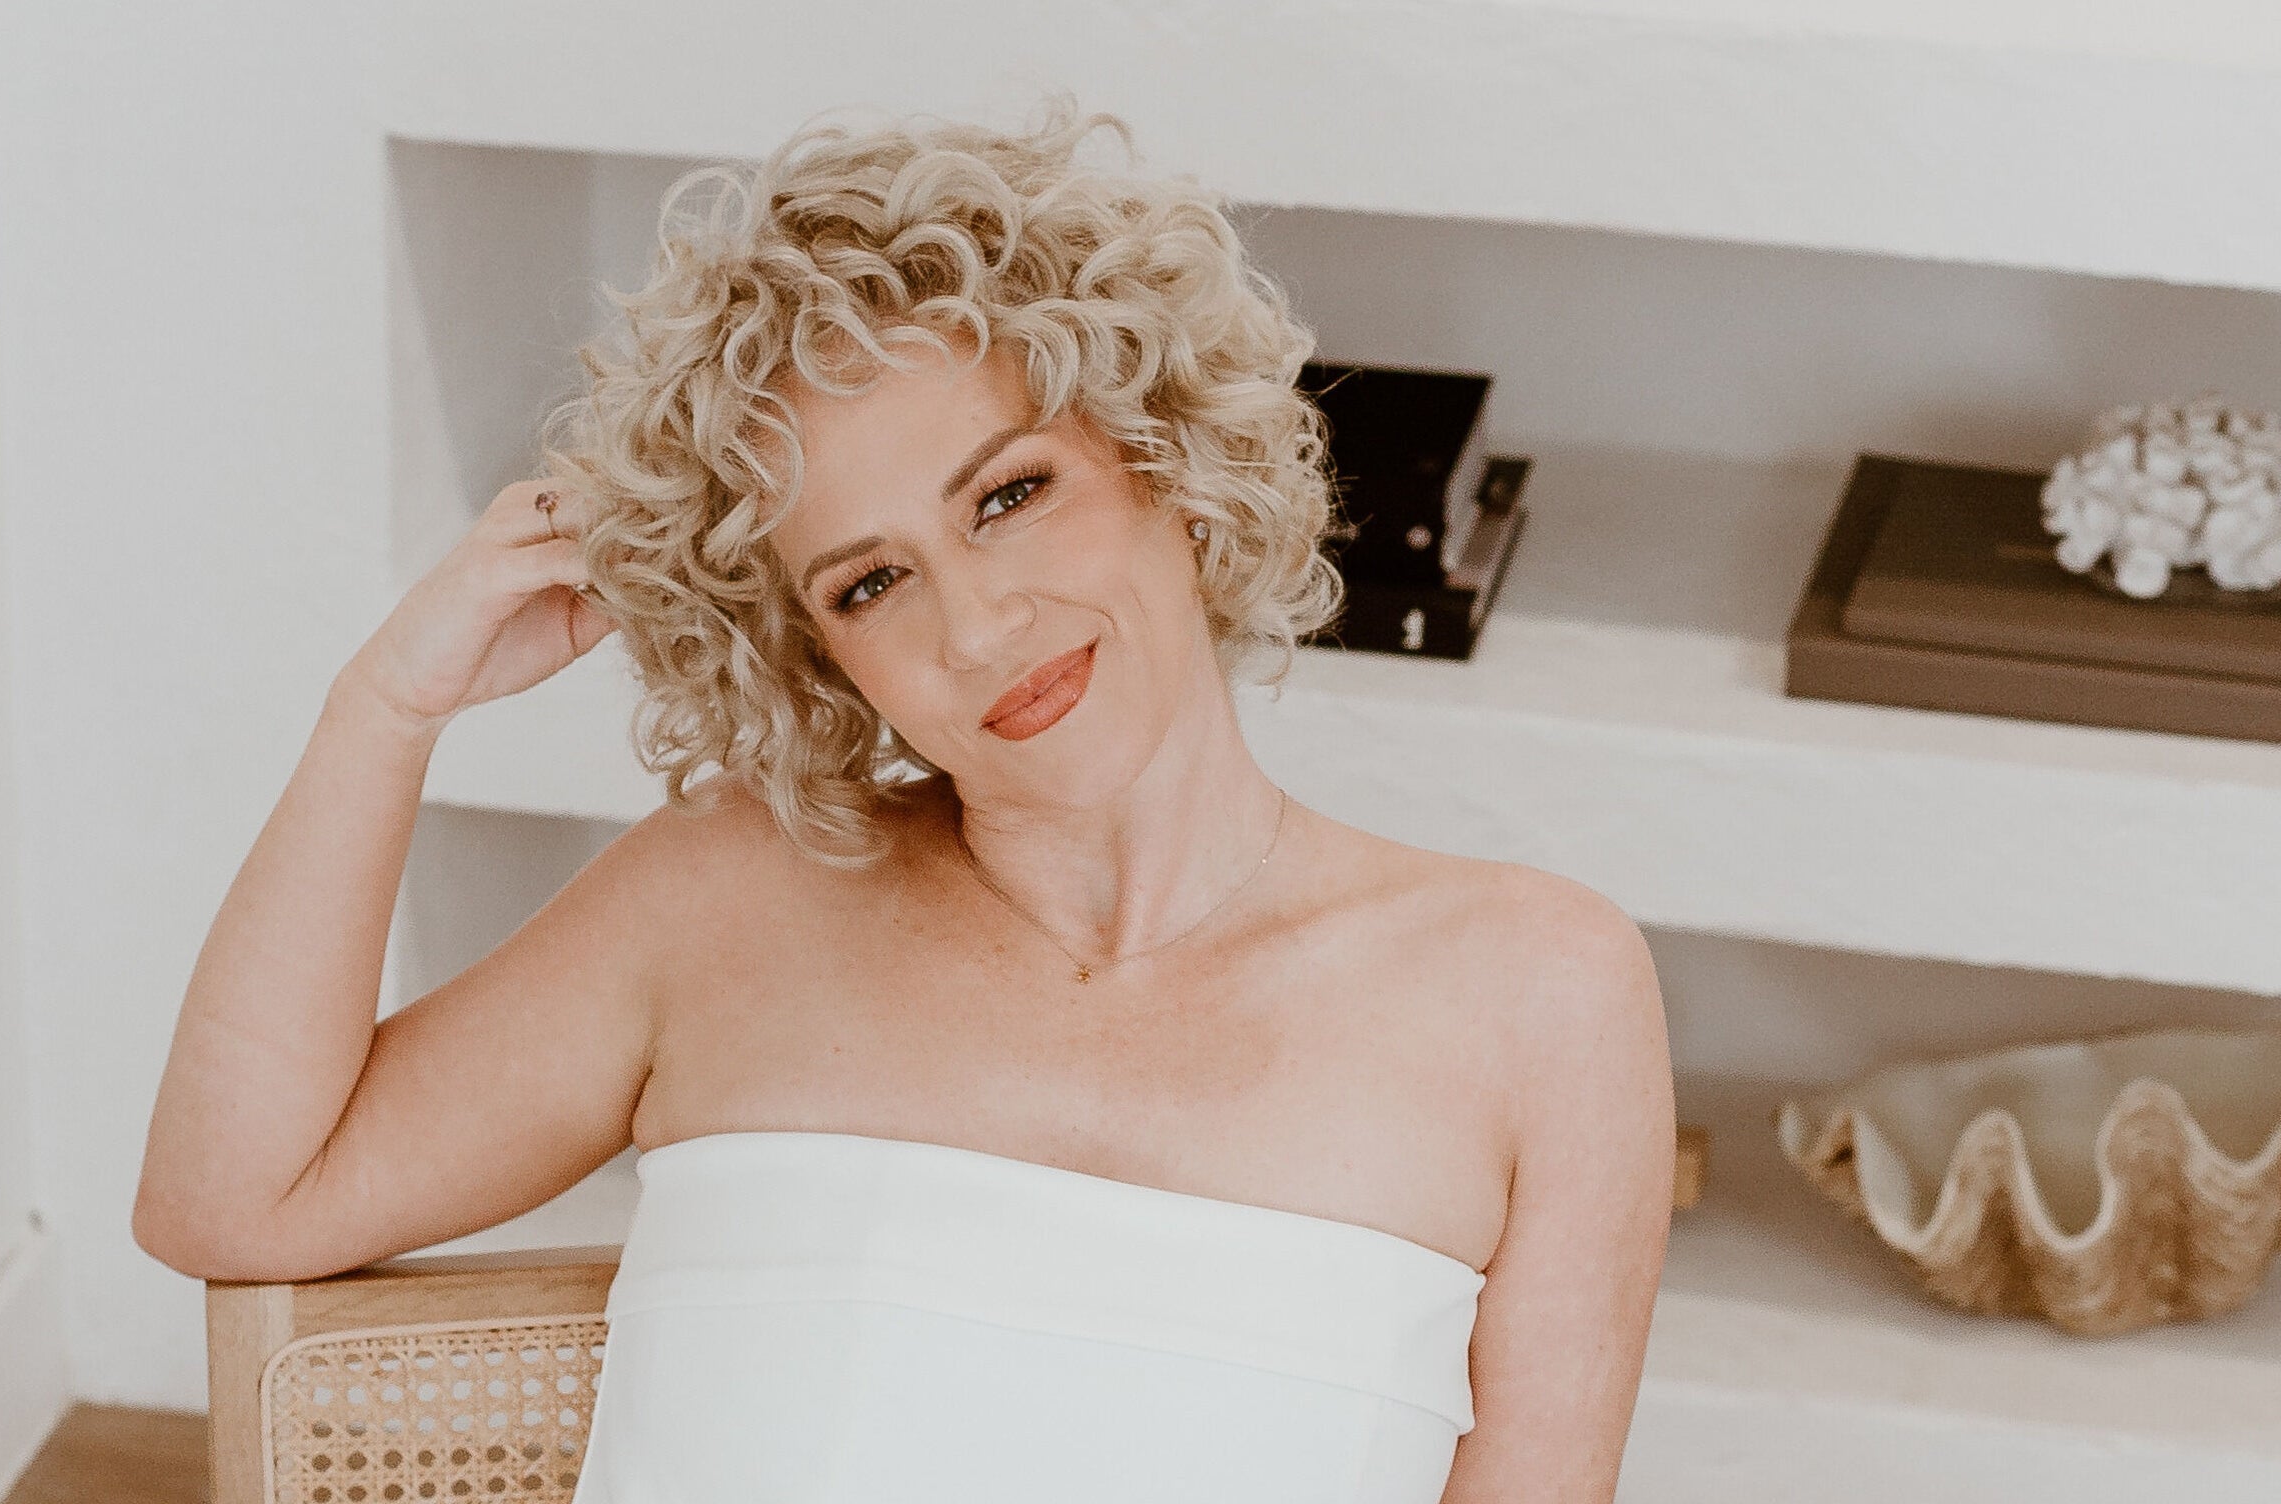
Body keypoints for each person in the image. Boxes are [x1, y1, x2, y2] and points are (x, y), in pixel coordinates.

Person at [134, 95, 1674, 1503]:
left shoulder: (1542, 996)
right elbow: (236, 1198)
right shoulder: (722, 902)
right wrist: (387, 706)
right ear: (818, 654)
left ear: (1167, 459)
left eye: (1010, 495)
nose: (976, 628)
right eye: (872, 584)